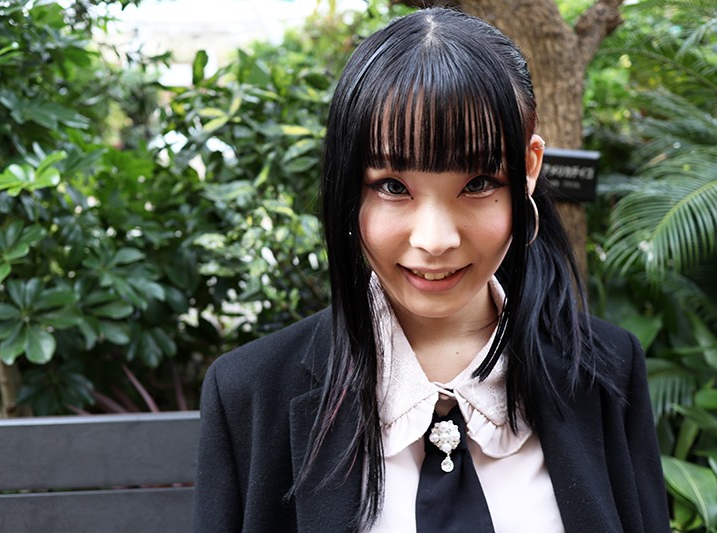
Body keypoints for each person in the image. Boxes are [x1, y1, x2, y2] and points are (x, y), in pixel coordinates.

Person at [193, 7, 669, 533]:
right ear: (349, 182)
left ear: (529, 168)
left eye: (479, 183)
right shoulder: (250, 394)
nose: (435, 240)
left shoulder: (606, 370)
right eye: (392, 186)